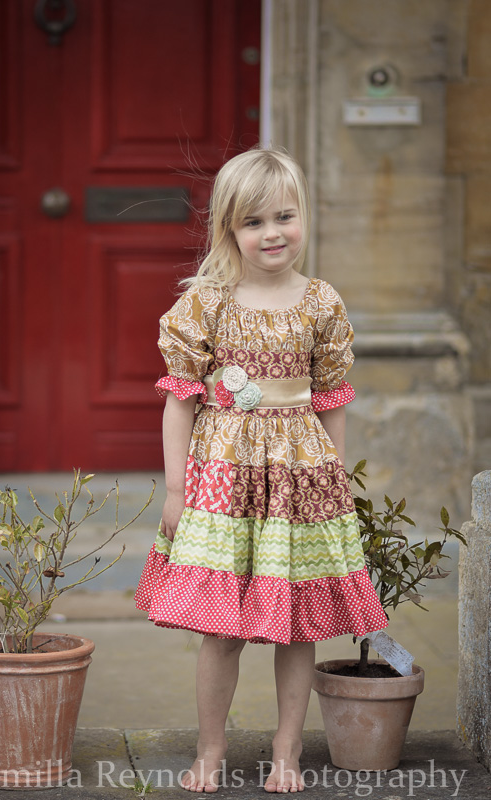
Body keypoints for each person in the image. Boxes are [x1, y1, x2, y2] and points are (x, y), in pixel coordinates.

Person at [135, 147, 388, 793]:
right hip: (224, 482)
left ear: (302, 216)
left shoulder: (320, 302)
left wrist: (335, 484)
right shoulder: (209, 303)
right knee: (222, 631)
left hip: (301, 485)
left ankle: (286, 752)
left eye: (284, 216)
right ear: (228, 228)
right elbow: (179, 399)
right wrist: (174, 488)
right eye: (254, 222)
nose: (272, 233)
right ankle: (211, 751)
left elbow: (331, 397)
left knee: (292, 625)